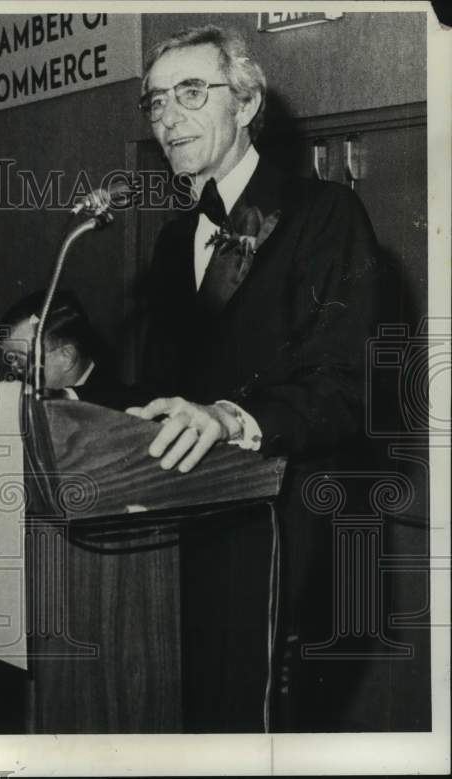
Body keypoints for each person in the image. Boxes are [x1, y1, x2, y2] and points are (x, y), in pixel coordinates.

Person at [124, 25, 382, 730]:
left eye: (190, 92)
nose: (167, 116)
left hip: (284, 534)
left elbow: (347, 386)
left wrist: (231, 417)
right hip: (185, 535)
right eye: (154, 102)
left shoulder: (325, 213)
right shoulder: (175, 239)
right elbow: (159, 387)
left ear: (244, 103)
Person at [0, 289, 119, 407]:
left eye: (21, 361)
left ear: (66, 357)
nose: (13, 370)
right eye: (10, 358)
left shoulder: (120, 405)